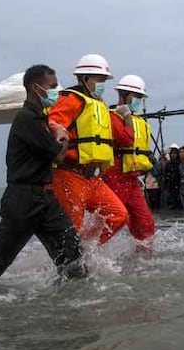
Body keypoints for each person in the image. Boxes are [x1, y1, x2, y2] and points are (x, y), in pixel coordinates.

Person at [0, 65, 87, 293]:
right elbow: (58, 154)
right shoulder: (26, 119)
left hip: (45, 197)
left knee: (73, 252)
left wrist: (54, 131)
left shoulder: (41, 119)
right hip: (23, 200)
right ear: (35, 88)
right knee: (1, 258)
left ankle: (73, 302)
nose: (57, 92)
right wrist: (62, 136)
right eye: (52, 87)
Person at [47, 54, 128, 244]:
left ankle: (86, 251)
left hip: (91, 177)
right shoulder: (71, 98)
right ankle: (70, 262)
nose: (102, 84)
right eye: (99, 80)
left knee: (118, 215)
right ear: (83, 78)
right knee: (72, 228)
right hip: (69, 175)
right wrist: (58, 132)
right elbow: (54, 122)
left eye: (104, 80)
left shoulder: (99, 104)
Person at [102, 74, 156, 245]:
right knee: (111, 220)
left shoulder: (138, 121)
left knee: (146, 222)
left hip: (132, 178)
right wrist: (125, 116)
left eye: (141, 98)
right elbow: (126, 139)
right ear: (124, 95)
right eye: (136, 97)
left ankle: (144, 255)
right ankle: (88, 250)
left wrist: (138, 173)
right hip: (115, 177)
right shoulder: (112, 117)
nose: (138, 101)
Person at [163, 144, 182, 210]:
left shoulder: (180, 163)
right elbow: (165, 176)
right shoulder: (168, 164)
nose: (173, 155)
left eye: (175, 153)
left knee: (180, 204)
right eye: (172, 153)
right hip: (170, 187)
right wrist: (165, 188)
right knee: (171, 205)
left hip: (179, 186)